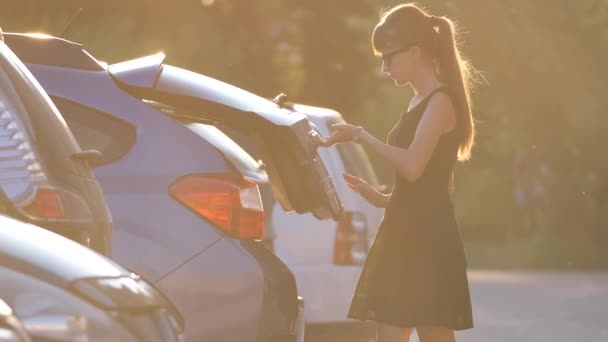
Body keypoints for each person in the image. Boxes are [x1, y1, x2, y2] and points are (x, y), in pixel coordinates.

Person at [320, 3, 477, 342]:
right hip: (404, 234)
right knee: (389, 332)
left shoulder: (440, 102)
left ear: (415, 51)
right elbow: (435, 182)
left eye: (389, 57)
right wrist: (380, 198)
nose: (384, 66)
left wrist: (362, 135)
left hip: (427, 242)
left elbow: (413, 166)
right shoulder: (418, 101)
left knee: (433, 332)